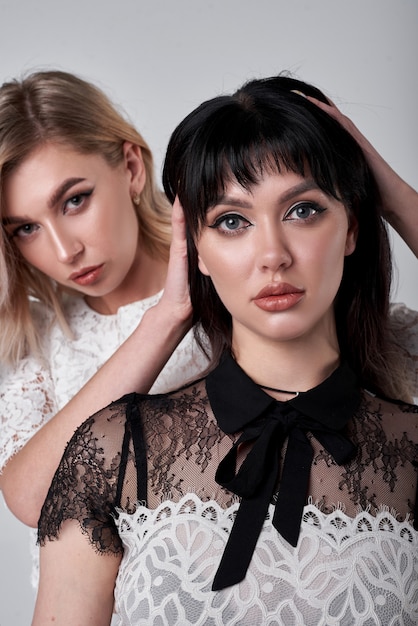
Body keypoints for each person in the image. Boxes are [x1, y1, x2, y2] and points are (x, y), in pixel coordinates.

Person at [33, 74, 418, 625]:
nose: (273, 255)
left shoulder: (411, 452)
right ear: (199, 252)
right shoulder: (114, 450)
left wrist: (390, 190)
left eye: (302, 210)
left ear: (352, 226)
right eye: (232, 222)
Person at [0, 70, 209, 585]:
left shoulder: (232, 279)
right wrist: (164, 321)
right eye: (26, 228)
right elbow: (31, 498)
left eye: (74, 200)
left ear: (132, 167)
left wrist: (380, 192)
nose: (64, 250)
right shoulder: (40, 340)